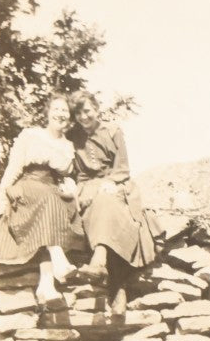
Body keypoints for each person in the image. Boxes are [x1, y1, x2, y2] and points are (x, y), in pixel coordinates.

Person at [66, 90, 157, 315]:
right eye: (78, 113)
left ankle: (100, 262)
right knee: (97, 206)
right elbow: (79, 174)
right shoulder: (73, 137)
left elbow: (123, 168)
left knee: (109, 205)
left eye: (87, 111)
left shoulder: (113, 131)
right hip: (88, 186)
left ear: (96, 109)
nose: (84, 117)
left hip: (116, 184)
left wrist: (109, 182)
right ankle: (118, 289)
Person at [0, 95, 82, 308]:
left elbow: (66, 175)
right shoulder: (30, 135)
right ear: (47, 111)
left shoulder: (69, 146)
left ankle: (46, 285)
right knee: (48, 200)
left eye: (65, 111)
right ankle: (59, 261)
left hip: (51, 189)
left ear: (69, 118)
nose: (60, 114)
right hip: (27, 185)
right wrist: (1, 196)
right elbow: (14, 167)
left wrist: (70, 188)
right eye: (56, 109)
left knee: (54, 207)